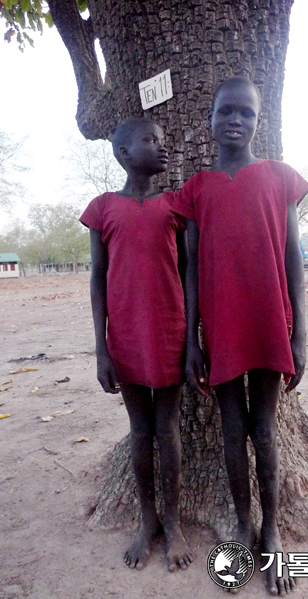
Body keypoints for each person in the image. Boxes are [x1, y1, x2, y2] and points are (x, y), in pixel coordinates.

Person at [172, 77, 308, 595]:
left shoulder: (279, 178)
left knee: (265, 429)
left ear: (259, 121)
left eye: (246, 113)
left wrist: (300, 335)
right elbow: (189, 267)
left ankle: (271, 529)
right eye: (225, 111)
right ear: (209, 118)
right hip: (222, 327)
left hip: (270, 321)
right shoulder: (197, 189)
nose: (235, 120)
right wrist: (192, 342)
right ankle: (242, 522)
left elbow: (293, 258)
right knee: (232, 431)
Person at [80, 117, 193, 573]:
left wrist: (192, 343)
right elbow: (97, 280)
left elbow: (189, 274)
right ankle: (147, 521)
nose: (161, 148)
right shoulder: (103, 208)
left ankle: (174, 521)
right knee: (140, 431)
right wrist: (101, 349)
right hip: (125, 338)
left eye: (164, 140)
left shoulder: (175, 207)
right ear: (124, 153)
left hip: (169, 333)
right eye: (150, 141)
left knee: (167, 431)